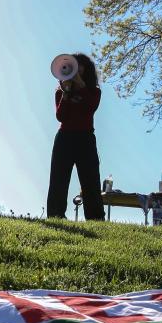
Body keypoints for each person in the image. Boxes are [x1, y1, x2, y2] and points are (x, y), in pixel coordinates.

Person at [46, 53, 104, 220]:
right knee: (58, 179)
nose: (76, 70)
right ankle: (55, 215)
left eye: (80, 66)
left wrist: (81, 85)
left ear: (87, 69)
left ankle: (96, 219)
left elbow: (91, 106)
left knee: (91, 180)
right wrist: (66, 93)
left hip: (85, 138)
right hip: (65, 138)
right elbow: (61, 117)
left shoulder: (94, 92)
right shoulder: (60, 91)